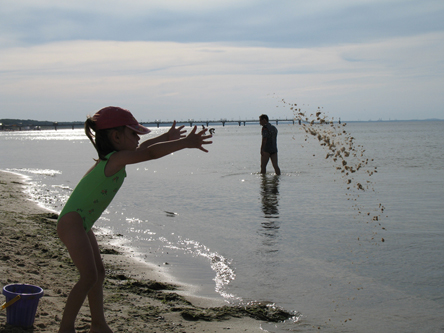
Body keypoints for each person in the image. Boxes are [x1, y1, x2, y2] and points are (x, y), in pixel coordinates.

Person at [56, 106, 212, 333]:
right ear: (116, 136)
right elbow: (148, 153)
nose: (139, 138)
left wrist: (166, 137)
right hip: (72, 223)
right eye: (133, 133)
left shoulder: (114, 158)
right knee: (88, 276)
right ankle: (65, 328)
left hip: (80, 222)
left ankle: (98, 324)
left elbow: (146, 147)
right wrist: (184, 143)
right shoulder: (116, 159)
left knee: (98, 274)